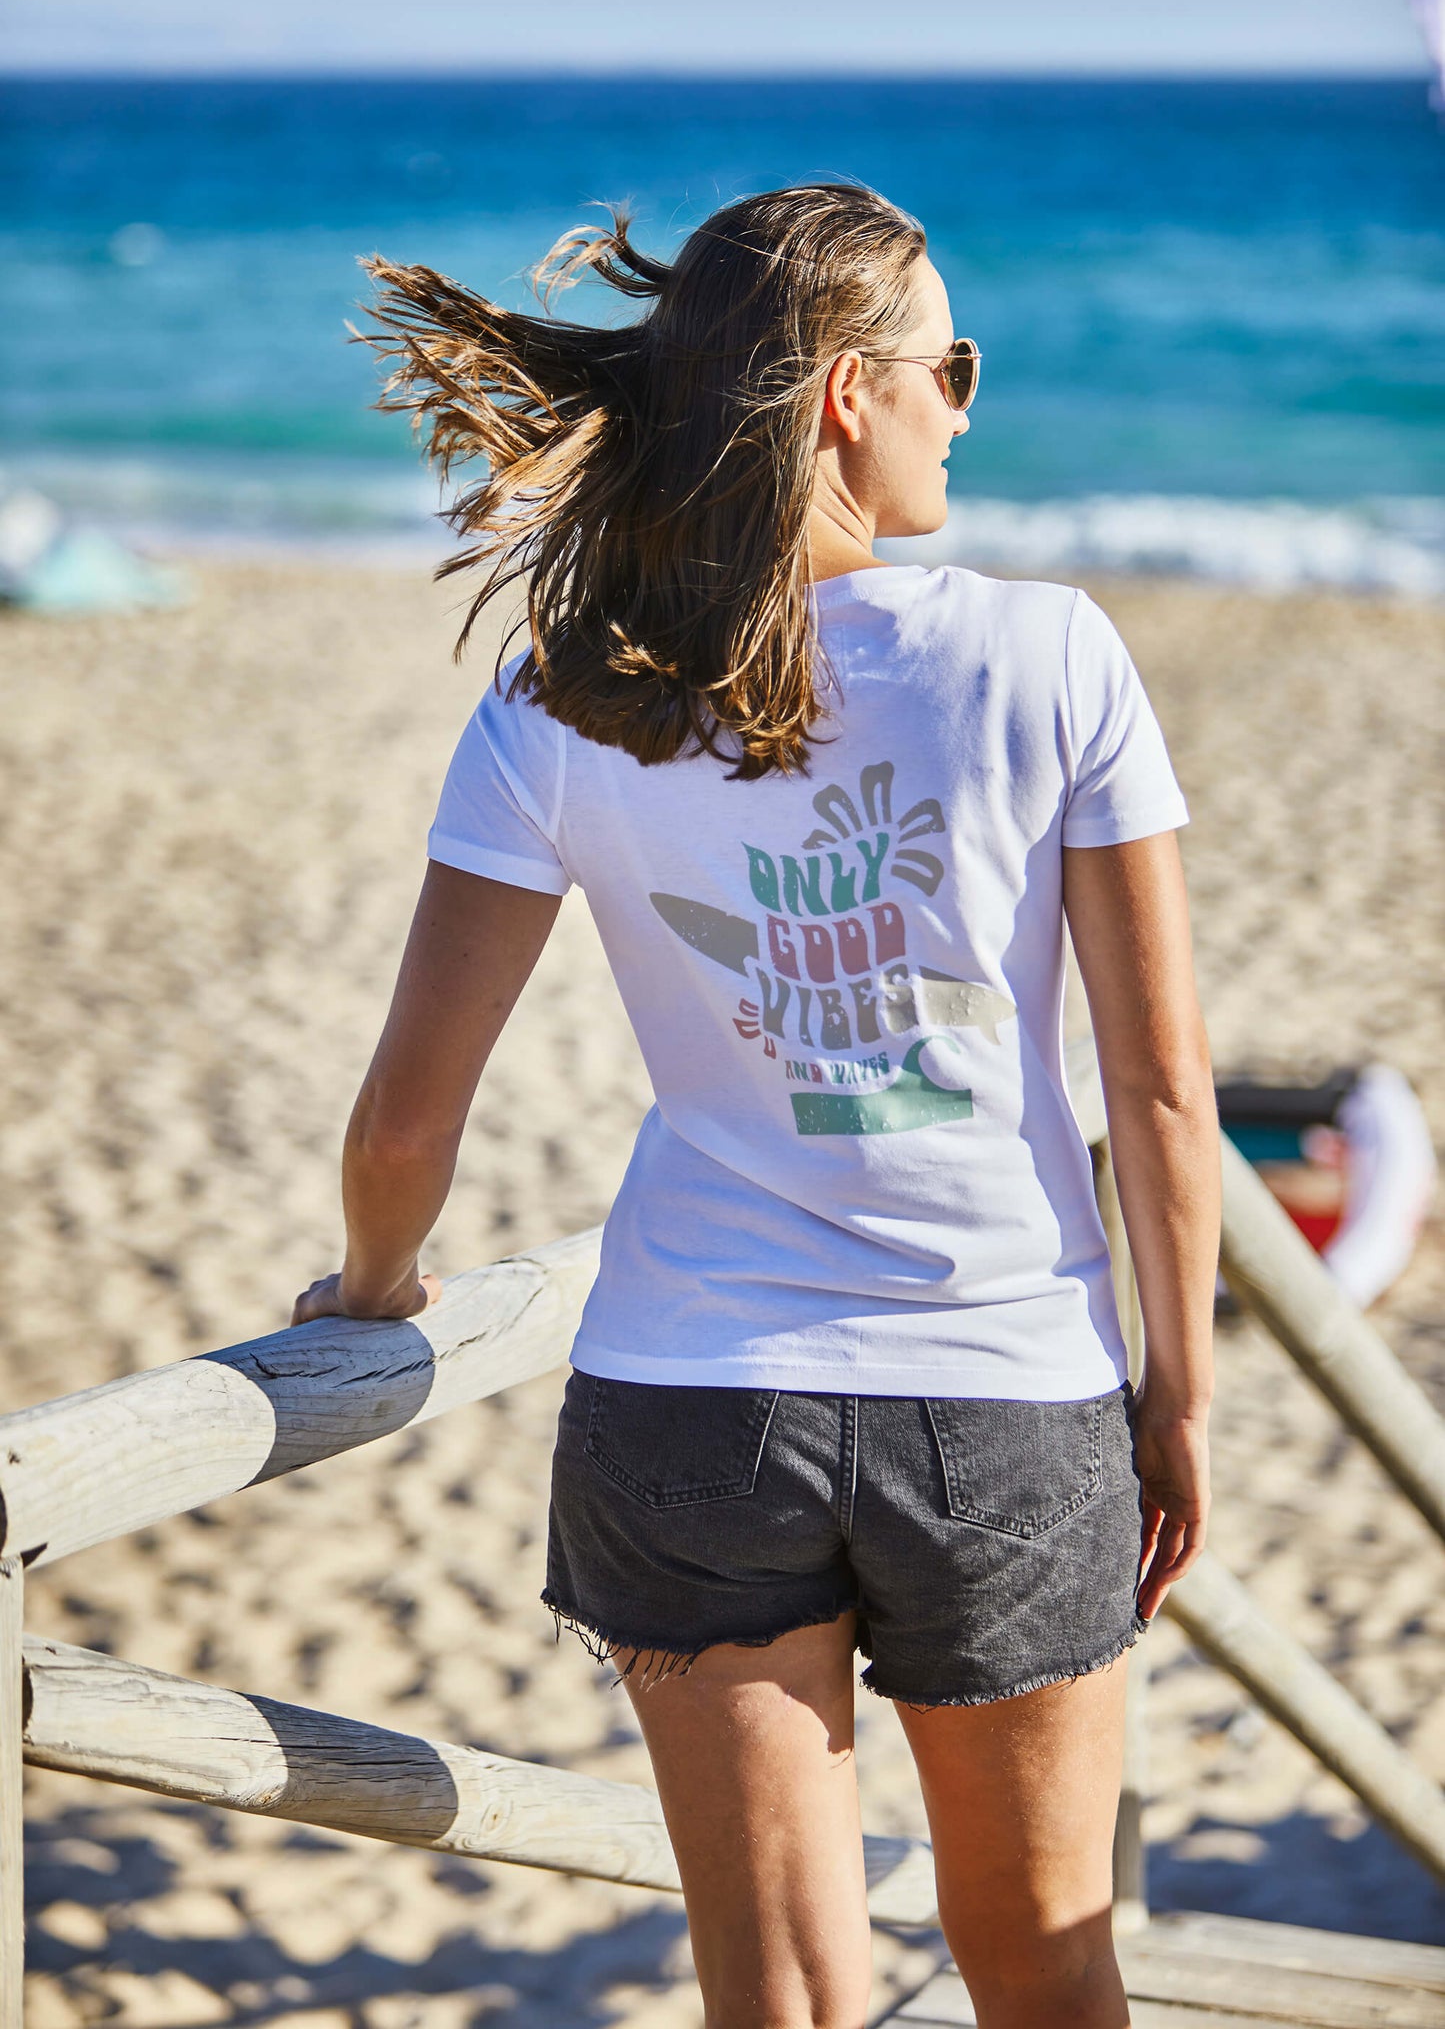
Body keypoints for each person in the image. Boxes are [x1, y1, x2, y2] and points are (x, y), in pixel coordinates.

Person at [294, 183, 1218, 2029]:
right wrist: (1174, 1399)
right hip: (1009, 1395)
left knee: (776, 1992)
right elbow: (1162, 1092)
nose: (966, 402)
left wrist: (375, 1289)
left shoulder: (570, 696)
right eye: (945, 364)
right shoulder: (1047, 655)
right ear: (840, 400)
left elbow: (406, 1120)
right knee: (1044, 1959)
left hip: (688, 1401)